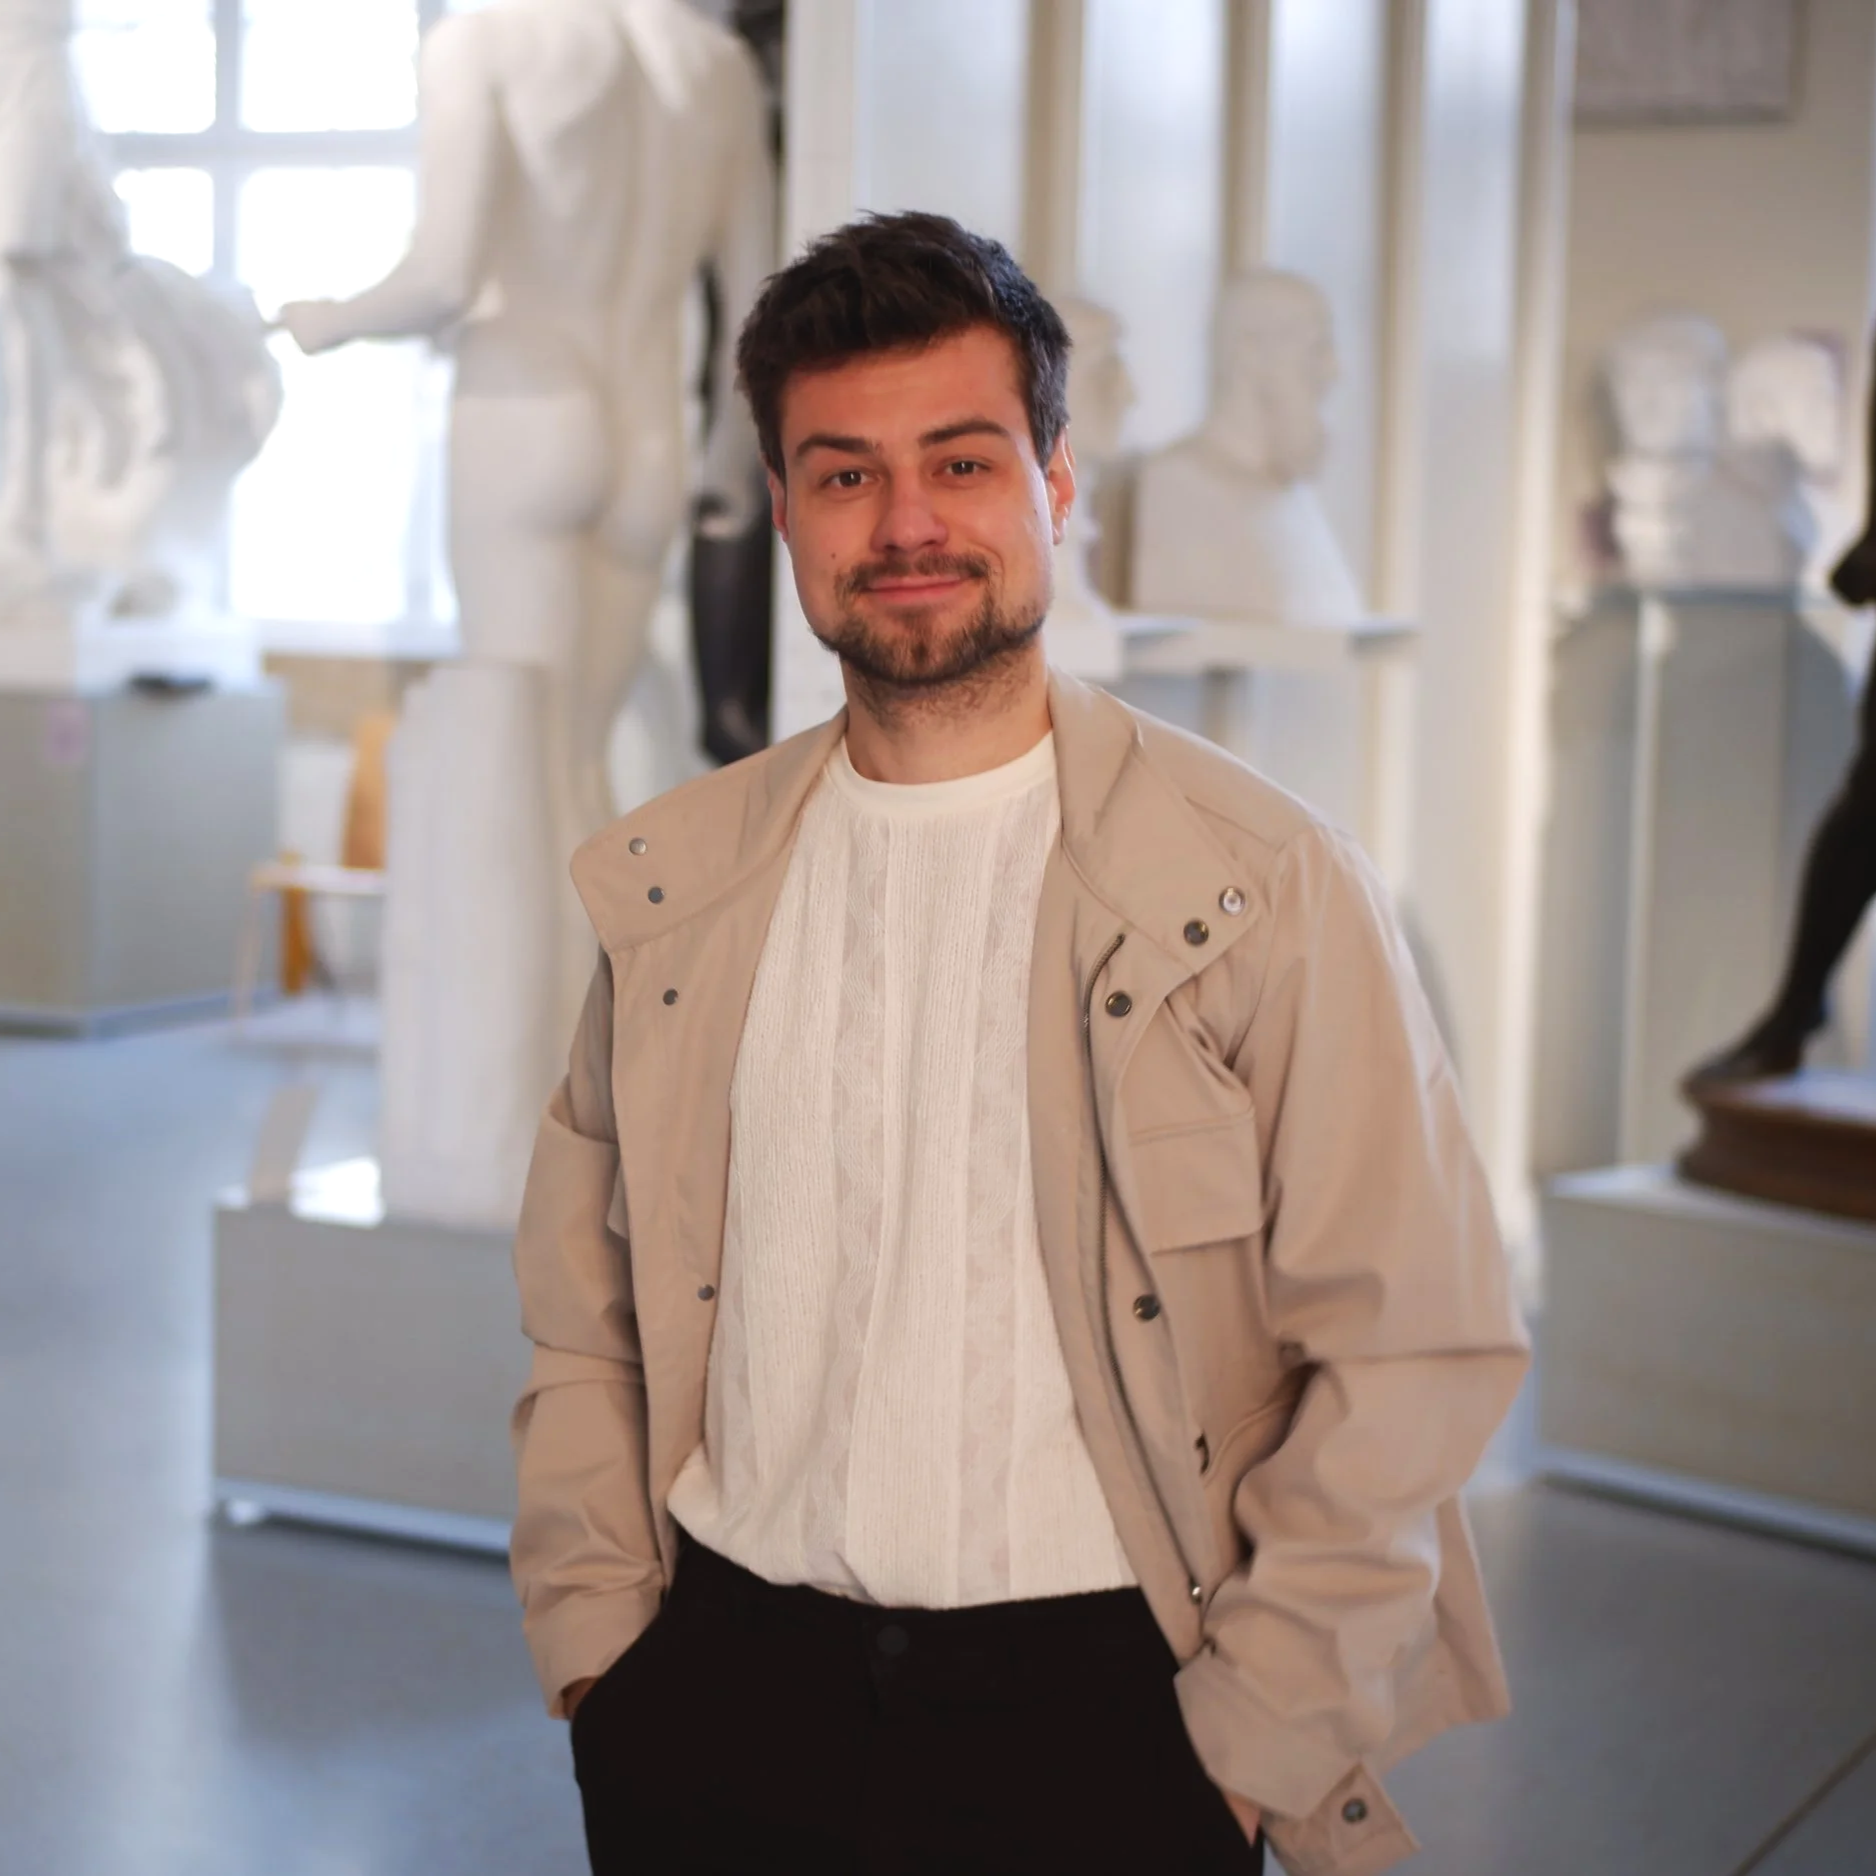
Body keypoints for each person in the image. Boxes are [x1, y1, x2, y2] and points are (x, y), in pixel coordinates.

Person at [509, 211, 1529, 1876]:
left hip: (1112, 1717)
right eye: (843, 475)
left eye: (963, 463)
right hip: (718, 1696)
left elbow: (1417, 1348)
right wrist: (601, 1649)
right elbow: (583, 1307)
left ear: (1056, 482)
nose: (906, 523)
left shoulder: (1261, 885)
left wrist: (1255, 1736)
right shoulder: (675, 889)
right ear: (781, 510)